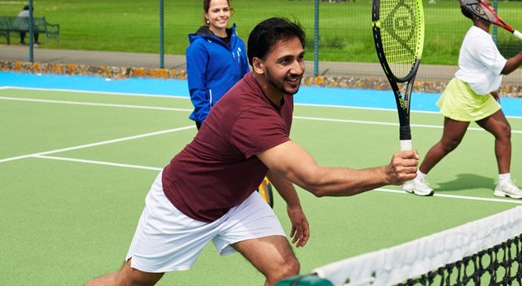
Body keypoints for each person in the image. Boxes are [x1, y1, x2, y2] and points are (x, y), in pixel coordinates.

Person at [86, 17, 419, 286]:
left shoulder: (282, 92)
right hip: (185, 204)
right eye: (285, 61)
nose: (298, 68)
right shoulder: (248, 112)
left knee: (285, 269)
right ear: (258, 65)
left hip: (237, 199)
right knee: (129, 281)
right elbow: (314, 180)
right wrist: (386, 174)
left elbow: (271, 158)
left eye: (300, 57)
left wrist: (291, 202)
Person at [402, 0, 522, 199]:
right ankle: (416, 179)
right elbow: (504, 68)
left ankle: (504, 183)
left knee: (503, 131)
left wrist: (491, 88)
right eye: (487, 6)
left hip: (480, 95)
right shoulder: (478, 39)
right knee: (449, 142)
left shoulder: (483, 36)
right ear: (477, 12)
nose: (492, 8)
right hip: (464, 95)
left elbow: (484, 68)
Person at [186, 0, 250, 129]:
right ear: (207, 15)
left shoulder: (238, 43)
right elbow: (197, 88)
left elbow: (247, 80)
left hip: (239, 115)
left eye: (225, 9)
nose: (222, 15)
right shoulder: (198, 47)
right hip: (213, 118)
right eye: (216, 10)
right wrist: (207, 120)